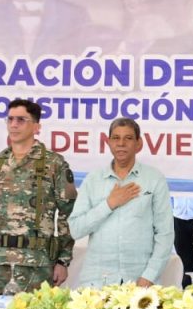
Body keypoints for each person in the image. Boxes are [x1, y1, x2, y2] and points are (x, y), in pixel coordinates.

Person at [0, 99, 76, 294]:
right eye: (10, 119)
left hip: (36, 263)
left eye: (21, 120)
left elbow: (68, 213)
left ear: (36, 127)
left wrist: (63, 261)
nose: (13, 125)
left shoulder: (53, 164)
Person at [69, 119, 174, 287]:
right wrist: (109, 204)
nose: (121, 144)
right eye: (116, 138)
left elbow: (165, 234)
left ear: (138, 143)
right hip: (97, 283)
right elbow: (75, 229)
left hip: (140, 281)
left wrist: (149, 275)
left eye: (128, 138)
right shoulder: (93, 179)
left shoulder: (154, 179)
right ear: (108, 142)